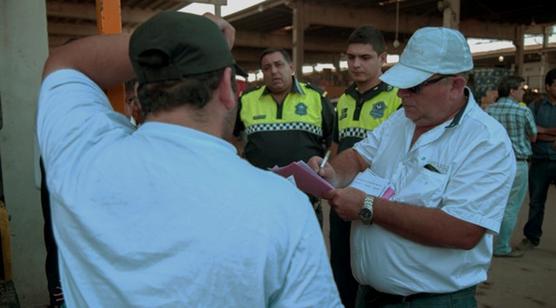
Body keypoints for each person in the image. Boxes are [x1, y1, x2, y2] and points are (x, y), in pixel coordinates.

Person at [37, 12, 341, 307]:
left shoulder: (81, 156)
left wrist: (173, 41)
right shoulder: (283, 206)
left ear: (140, 94)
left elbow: (65, 61)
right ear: (228, 88)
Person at [309, 27, 515, 307]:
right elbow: (358, 157)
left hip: (430, 301)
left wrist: (368, 206)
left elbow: (463, 230)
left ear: (455, 85)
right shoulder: (401, 121)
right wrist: (331, 173)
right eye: (401, 83)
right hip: (370, 294)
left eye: (414, 86)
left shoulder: (485, 142)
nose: (402, 93)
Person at [330, 25, 401, 308]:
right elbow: (338, 146)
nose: (356, 64)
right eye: (351, 57)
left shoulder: (397, 97)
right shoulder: (344, 99)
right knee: (341, 261)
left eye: (365, 57)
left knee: (373, 264)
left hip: (378, 199)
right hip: (342, 195)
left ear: (383, 58)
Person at [234, 48, 335, 223]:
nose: (273, 71)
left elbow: (333, 142)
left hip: (305, 200)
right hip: (259, 198)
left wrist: (326, 172)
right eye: (266, 68)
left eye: (278, 65)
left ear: (291, 67)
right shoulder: (247, 100)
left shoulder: (316, 98)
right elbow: (232, 136)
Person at [486, 76, 537, 257]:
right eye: (521, 89)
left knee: (491, 203)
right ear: (512, 91)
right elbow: (533, 136)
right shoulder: (523, 112)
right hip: (517, 163)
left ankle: (484, 244)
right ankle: (501, 246)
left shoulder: (489, 110)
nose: (523, 92)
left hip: (493, 164)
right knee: (511, 206)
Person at [517, 68, 556, 251]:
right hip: (540, 160)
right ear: (548, 86)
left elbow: (538, 131)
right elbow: (531, 131)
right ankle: (531, 237)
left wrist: (542, 131)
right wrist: (549, 134)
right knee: (536, 202)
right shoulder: (536, 105)